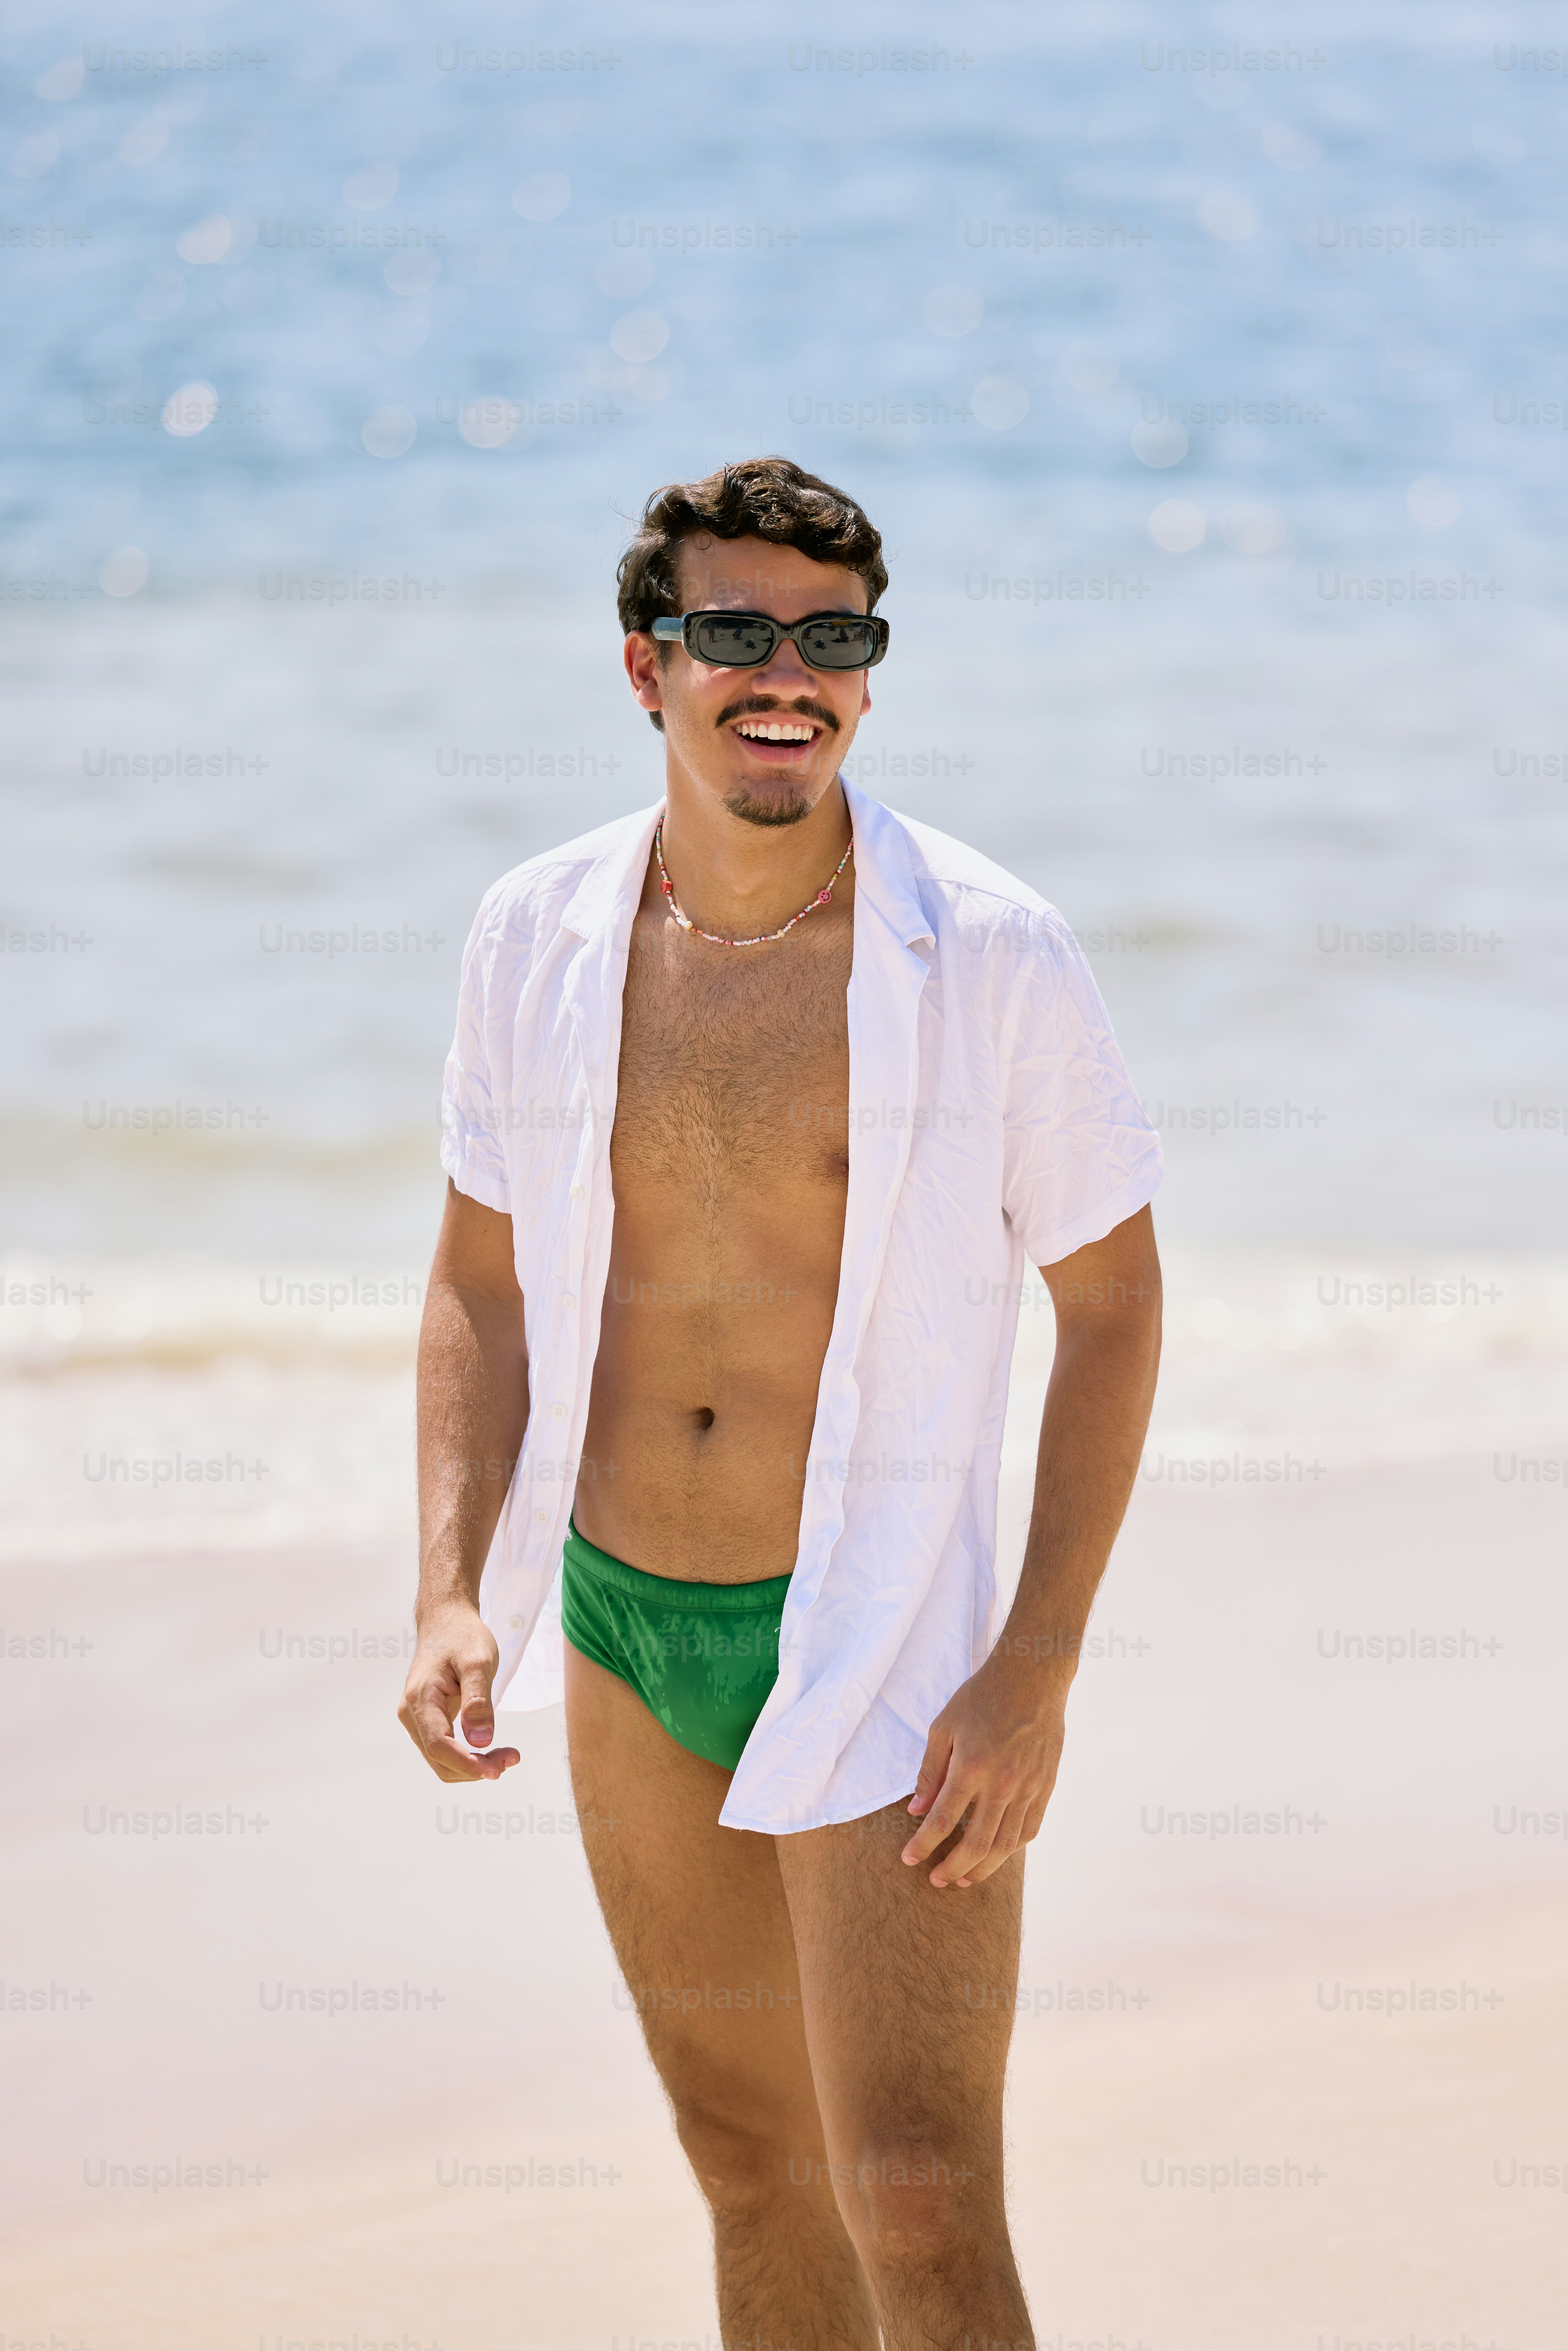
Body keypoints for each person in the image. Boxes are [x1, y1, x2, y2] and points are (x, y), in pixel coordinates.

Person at [399, 456, 1163, 2349]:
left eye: (831, 638)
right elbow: (479, 1280)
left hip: (889, 1644)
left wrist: (1035, 1666)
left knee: (918, 2206)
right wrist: (444, 1583)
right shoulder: (537, 935)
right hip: (623, 1624)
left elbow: (1119, 1306)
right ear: (644, 665)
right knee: (750, 2171)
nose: (785, 674)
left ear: (872, 677)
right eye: (734, 632)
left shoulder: (984, 951)